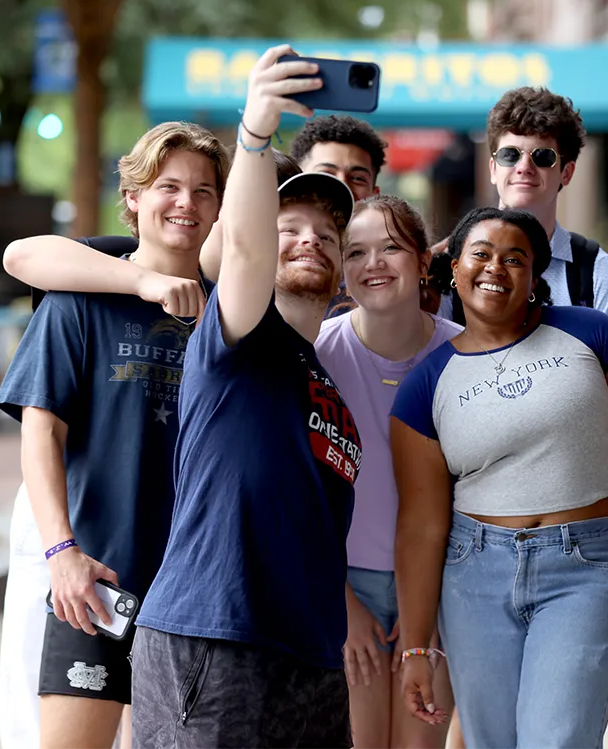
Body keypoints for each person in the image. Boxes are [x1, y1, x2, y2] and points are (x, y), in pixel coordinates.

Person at [129, 46, 362, 748]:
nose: (310, 240)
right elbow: (247, 256)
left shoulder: (326, 381)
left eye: (327, 234)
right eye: (289, 228)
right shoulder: (239, 330)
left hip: (311, 656)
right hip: (215, 635)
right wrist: (256, 135)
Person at [390, 207, 608, 749]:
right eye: (481, 254)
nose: (495, 268)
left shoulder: (591, 334)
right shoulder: (425, 385)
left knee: (556, 740)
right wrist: (417, 647)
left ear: (534, 275)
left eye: (514, 258)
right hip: (475, 575)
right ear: (454, 267)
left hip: (588, 568)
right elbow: (421, 527)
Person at [0, 120, 229, 749]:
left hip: (197, 595)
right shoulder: (77, 299)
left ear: (218, 210)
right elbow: (41, 432)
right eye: (168, 186)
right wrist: (61, 552)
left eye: (203, 191)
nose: (186, 202)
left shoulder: (230, 319)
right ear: (133, 196)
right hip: (96, 584)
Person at [315, 194, 459, 747]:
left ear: (423, 261)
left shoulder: (462, 354)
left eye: (391, 248)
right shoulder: (318, 354)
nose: (373, 263)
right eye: (356, 252)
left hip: (440, 585)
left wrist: (437, 607)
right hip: (345, 584)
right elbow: (300, 496)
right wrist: (342, 604)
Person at [441, 87, 608, 329]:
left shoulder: (600, 274)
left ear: (566, 173)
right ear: (493, 168)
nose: (524, 167)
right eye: (510, 155)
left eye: (542, 156)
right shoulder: (449, 268)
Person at [291, 114, 389, 318]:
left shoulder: (389, 273)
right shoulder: (269, 258)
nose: (342, 184)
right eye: (326, 173)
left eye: (357, 178)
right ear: (297, 180)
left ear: (374, 194)